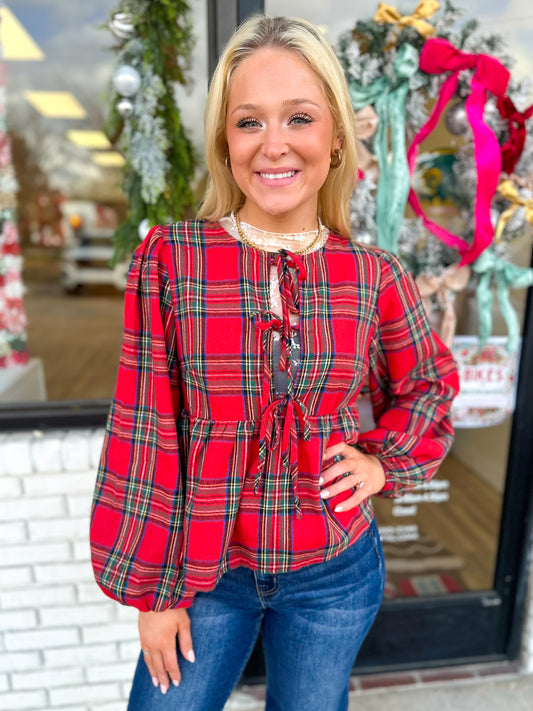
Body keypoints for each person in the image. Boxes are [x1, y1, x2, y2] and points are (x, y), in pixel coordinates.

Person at [90, 15, 459, 711]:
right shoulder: (172, 261)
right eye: (248, 122)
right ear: (224, 142)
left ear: (335, 137)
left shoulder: (372, 273)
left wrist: (382, 462)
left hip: (333, 571)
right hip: (205, 574)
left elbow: (428, 384)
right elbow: (145, 432)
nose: (274, 144)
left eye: (299, 117)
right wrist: (154, 593)